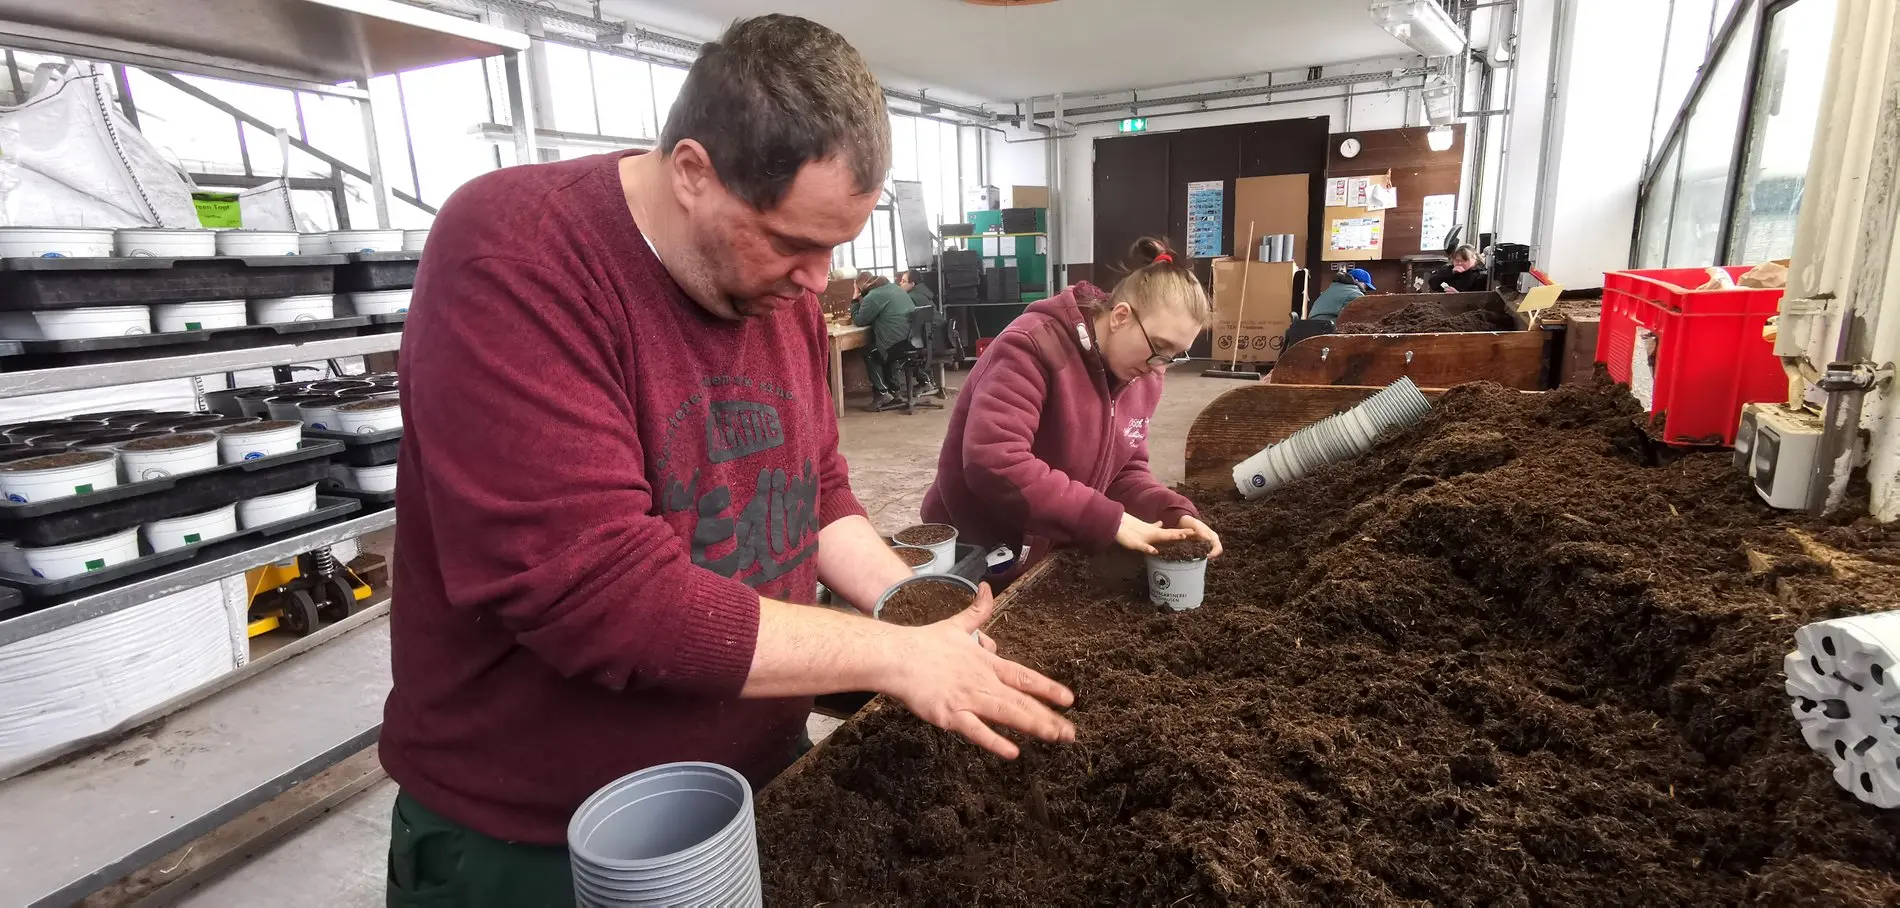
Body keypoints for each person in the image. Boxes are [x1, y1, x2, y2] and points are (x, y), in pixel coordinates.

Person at [381, 16, 1075, 906]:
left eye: (836, 247)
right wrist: (888, 658)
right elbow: (599, 595)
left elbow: (815, 490)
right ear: (692, 172)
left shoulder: (769, 291)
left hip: (756, 781)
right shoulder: (516, 253)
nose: (817, 281)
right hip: (547, 834)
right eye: (792, 242)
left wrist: (909, 613)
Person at [921, 238, 1224, 578]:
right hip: (974, 547)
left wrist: (1174, 514)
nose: (1159, 368)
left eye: (1173, 356)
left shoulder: (1142, 376)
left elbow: (1124, 473)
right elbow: (993, 461)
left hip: (1048, 544)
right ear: (1121, 317)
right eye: (1159, 347)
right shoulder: (1033, 347)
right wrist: (1107, 519)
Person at [851, 271, 916, 410]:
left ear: (861, 287)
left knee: (870, 351)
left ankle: (882, 393)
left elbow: (859, 320)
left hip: (895, 343)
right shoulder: (895, 288)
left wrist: (855, 299)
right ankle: (895, 391)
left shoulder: (874, 296)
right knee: (885, 351)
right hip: (911, 340)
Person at [1308, 267, 1376, 321]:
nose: (1365, 290)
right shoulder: (1354, 294)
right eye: (1365, 286)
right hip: (1327, 327)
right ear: (1356, 281)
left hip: (1312, 325)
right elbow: (1364, 317)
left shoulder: (1334, 288)